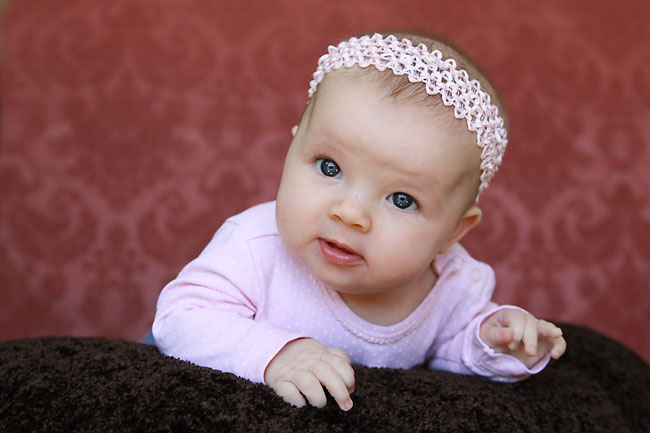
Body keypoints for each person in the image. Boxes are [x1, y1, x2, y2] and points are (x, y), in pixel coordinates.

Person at [152, 31, 566, 412]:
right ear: (292, 148)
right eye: (329, 167)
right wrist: (278, 354)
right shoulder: (254, 246)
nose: (349, 213)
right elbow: (181, 318)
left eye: (402, 200)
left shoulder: (452, 283)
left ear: (453, 232)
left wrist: (496, 343)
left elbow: (451, 349)